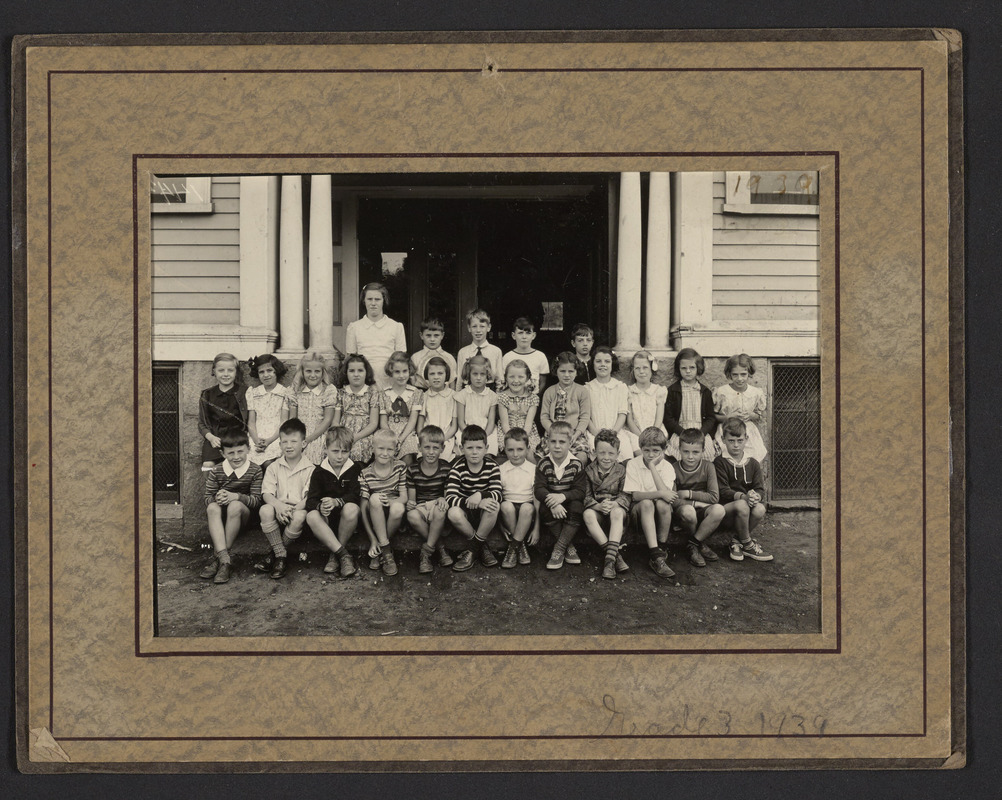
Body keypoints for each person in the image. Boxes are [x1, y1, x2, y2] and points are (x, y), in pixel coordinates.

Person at [199, 430, 264, 584]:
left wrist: (236, 497)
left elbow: (257, 501)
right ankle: (225, 561)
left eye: (240, 451)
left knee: (235, 505)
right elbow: (207, 499)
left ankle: (219, 557)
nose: (236, 457)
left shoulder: (255, 470)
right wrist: (217, 498)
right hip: (222, 520)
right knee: (212, 508)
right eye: (231, 453)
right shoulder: (217, 471)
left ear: (248, 449)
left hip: (243, 517)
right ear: (223, 453)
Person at [255, 419, 315, 580]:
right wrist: (280, 507)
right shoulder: (274, 467)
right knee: (265, 509)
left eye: (294, 441)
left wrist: (292, 510)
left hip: (297, 511)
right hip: (278, 510)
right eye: (284, 442)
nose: (289, 446)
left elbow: (308, 497)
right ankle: (281, 555)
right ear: (279, 444)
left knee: (300, 515)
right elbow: (267, 494)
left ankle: (274, 555)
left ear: (303, 443)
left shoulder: (310, 468)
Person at [303, 426, 361, 577]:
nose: (340, 456)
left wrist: (337, 501)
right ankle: (343, 555)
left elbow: (356, 495)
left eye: (345, 451)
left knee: (352, 508)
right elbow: (310, 500)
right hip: (326, 522)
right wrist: (320, 506)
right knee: (311, 516)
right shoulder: (319, 471)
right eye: (335, 451)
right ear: (326, 449)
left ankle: (334, 555)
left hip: (347, 522)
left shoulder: (354, 468)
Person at [714, 417, 773, 562]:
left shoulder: (752, 463)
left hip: (746, 507)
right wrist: (743, 497)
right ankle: (748, 544)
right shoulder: (719, 462)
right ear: (723, 439)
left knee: (759, 509)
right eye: (731, 441)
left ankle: (736, 541)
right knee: (742, 504)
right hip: (726, 511)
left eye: (740, 441)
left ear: (746, 439)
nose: (735, 445)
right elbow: (722, 490)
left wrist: (755, 496)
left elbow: (759, 488)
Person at [445, 425, 503, 572]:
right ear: (461, 448)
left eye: (479, 447)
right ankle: (481, 546)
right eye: (470, 448)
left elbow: (498, 493)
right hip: (466, 514)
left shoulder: (492, 466)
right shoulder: (457, 468)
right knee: (453, 512)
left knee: (494, 505)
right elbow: (450, 496)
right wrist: (472, 502)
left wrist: (480, 495)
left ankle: (472, 550)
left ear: (486, 448)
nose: (475, 452)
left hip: (485, 516)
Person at [623, 426, 677, 579]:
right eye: (646, 450)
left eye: (655, 451)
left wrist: (652, 467)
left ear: (664, 450)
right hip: (640, 513)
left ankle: (661, 548)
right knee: (647, 503)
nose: (651, 455)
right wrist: (659, 493)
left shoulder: (667, 467)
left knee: (663, 504)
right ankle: (655, 554)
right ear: (640, 448)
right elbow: (636, 496)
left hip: (659, 513)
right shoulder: (633, 464)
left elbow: (668, 497)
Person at [669, 428, 725, 567]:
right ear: (679, 449)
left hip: (702, 510)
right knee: (689, 511)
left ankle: (693, 544)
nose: (690, 457)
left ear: (703, 451)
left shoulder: (708, 467)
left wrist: (689, 494)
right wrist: (696, 504)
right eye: (686, 451)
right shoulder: (673, 468)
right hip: (684, 514)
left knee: (719, 510)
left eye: (695, 452)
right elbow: (674, 500)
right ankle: (698, 544)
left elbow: (714, 498)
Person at [535, 421, 587, 570]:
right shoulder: (543, 463)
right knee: (543, 508)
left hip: (568, 502)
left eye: (562, 442)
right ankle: (568, 546)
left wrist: (562, 497)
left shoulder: (576, 464)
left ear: (570, 443)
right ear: (547, 442)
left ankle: (559, 548)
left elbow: (580, 491)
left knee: (577, 506)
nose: (557, 446)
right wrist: (553, 502)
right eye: (553, 441)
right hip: (551, 504)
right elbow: (539, 489)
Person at [581, 429, 631, 580]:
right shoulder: (588, 471)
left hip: (617, 512)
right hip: (598, 509)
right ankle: (615, 555)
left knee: (616, 513)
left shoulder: (622, 470)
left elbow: (626, 495)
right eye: (602, 453)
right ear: (594, 452)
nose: (606, 458)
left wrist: (615, 504)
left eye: (611, 453)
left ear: (618, 453)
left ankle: (609, 561)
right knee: (587, 514)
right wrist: (597, 506)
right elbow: (586, 496)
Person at [358, 428, 408, 576]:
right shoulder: (366, 473)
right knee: (374, 498)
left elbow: (404, 497)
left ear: (395, 450)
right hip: (375, 514)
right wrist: (372, 539)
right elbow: (363, 507)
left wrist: (392, 502)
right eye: (381, 448)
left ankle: (382, 550)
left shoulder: (400, 467)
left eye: (390, 449)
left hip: (393, 515)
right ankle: (386, 552)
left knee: (398, 507)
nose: (385, 453)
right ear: (372, 448)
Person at [405, 425, 455, 574]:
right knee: (411, 515)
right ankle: (439, 547)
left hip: (437, 506)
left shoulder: (446, 468)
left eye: (435, 447)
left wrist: (442, 499)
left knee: (440, 510)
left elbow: (446, 496)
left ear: (443, 448)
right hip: (421, 507)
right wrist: (410, 504)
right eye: (427, 447)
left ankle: (426, 553)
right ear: (419, 447)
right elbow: (412, 500)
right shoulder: (412, 469)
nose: (431, 452)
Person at [344, 282, 406, 390]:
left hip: (389, 383)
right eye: (369, 299)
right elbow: (351, 360)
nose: (373, 303)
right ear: (364, 300)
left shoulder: (396, 326)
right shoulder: (354, 327)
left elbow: (401, 360)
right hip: (364, 383)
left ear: (384, 300)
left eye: (377, 299)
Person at [712, 353, 768, 463]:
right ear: (730, 374)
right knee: (727, 461)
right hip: (727, 431)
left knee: (750, 460)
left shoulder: (756, 393)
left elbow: (761, 414)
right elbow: (713, 416)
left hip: (748, 432)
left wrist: (752, 415)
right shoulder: (722, 392)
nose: (739, 379)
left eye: (743, 374)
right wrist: (728, 417)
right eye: (735, 375)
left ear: (749, 373)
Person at [539, 351, 592, 464]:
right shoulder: (549, 391)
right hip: (553, 434)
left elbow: (585, 417)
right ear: (556, 371)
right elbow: (544, 417)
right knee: (546, 460)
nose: (566, 375)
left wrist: (576, 433)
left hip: (574, 435)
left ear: (576, 372)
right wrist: (552, 431)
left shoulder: (582, 391)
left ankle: (575, 480)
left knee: (581, 457)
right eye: (562, 371)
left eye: (571, 371)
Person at [665, 347, 717, 461]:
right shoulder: (673, 391)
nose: (688, 371)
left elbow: (711, 418)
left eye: (692, 367)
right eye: (684, 368)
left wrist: (702, 433)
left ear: (698, 368)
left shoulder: (705, 392)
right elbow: (668, 418)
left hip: (700, 431)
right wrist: (681, 432)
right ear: (679, 369)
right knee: (678, 453)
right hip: (680, 432)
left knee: (706, 452)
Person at [288, 351, 340, 465]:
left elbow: (327, 420)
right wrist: (297, 437)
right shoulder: (295, 390)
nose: (313, 375)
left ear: (323, 373)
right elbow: (292, 418)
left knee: (316, 457)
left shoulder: (328, 390)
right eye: (308, 371)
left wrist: (309, 439)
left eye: (317, 371)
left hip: (320, 434)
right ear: (302, 372)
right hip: (300, 433)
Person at [198, 352, 248, 470]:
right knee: (208, 465)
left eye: (230, 370)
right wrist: (210, 437)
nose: (226, 374)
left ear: (236, 372)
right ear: (214, 371)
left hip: (238, 437)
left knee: (237, 465)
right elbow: (202, 423)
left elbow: (250, 419)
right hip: (216, 438)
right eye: (221, 370)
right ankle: (212, 489)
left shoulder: (245, 392)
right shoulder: (207, 394)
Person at [498, 428, 539, 568]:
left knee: (527, 507)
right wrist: (501, 525)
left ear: (528, 449)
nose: (515, 454)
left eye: (520, 449)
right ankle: (520, 546)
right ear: (505, 449)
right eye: (510, 450)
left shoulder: (533, 470)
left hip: (527, 514)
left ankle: (512, 549)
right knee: (505, 505)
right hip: (507, 513)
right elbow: (497, 499)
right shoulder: (501, 469)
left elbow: (537, 501)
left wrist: (537, 529)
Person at [585, 345, 632, 460]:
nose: (602, 365)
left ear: (612, 364)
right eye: (598, 361)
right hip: (594, 433)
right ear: (593, 363)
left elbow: (622, 413)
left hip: (616, 432)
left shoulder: (620, 387)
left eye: (607, 361)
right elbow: (586, 416)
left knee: (625, 454)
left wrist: (613, 433)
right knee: (597, 455)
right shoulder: (587, 388)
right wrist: (596, 434)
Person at [333, 353, 380, 464]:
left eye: (360, 370)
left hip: (364, 434)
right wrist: (342, 435)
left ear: (366, 373)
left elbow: (374, 423)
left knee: (358, 449)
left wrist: (356, 437)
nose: (356, 374)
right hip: (344, 433)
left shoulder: (372, 393)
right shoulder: (341, 392)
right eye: (352, 371)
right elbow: (335, 420)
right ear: (346, 373)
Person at [246, 353, 292, 465]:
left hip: (276, 436)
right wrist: (256, 440)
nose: (266, 375)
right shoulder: (253, 393)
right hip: (256, 436)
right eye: (261, 372)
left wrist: (269, 441)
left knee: (269, 463)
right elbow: (251, 422)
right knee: (249, 462)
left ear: (276, 371)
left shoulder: (285, 393)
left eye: (270, 370)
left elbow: (284, 421)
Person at [379, 351, 422, 462]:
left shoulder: (416, 393)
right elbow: (383, 422)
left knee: (407, 452)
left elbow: (412, 421)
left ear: (410, 371)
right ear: (391, 372)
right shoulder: (383, 393)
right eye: (397, 372)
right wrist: (392, 438)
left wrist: (401, 439)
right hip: (388, 431)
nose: (401, 375)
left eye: (405, 371)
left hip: (407, 432)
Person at [625, 349, 667, 458]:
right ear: (633, 371)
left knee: (658, 456)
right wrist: (641, 436)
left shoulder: (659, 391)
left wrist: (653, 435)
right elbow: (629, 420)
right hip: (635, 433)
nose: (641, 371)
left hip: (656, 432)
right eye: (637, 368)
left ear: (652, 369)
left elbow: (659, 418)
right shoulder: (629, 392)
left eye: (645, 368)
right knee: (640, 455)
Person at [455, 355, 499, 456]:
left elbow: (491, 422)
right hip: (466, 430)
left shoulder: (492, 396)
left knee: (489, 448)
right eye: (475, 374)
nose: (478, 378)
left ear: (487, 375)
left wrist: (483, 436)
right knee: (465, 448)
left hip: (486, 431)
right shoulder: (462, 395)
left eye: (482, 374)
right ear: (469, 374)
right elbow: (461, 421)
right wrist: (469, 435)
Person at [497, 359, 541, 459]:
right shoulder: (502, 397)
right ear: (506, 378)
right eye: (511, 376)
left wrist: (522, 439)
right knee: (511, 449)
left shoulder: (533, 398)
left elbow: (529, 423)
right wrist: (512, 438)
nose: (516, 381)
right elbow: (504, 424)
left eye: (520, 377)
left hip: (526, 432)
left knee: (527, 452)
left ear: (527, 378)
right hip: (507, 431)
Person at [417, 356, 458, 461]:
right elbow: (420, 424)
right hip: (427, 438)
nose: (436, 377)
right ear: (427, 376)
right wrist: (424, 439)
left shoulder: (454, 396)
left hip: (446, 437)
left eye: (440, 373)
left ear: (446, 375)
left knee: (445, 457)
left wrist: (443, 439)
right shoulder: (424, 396)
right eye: (432, 374)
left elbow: (454, 426)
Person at [455, 308, 503, 390]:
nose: (478, 330)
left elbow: (499, 380)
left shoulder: (496, 351)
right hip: (467, 394)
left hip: (489, 394)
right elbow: (460, 380)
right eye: (474, 326)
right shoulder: (463, 352)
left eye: (482, 326)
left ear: (488, 327)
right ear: (469, 328)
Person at [501, 316, 549, 397]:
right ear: (513, 335)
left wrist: (534, 398)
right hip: (511, 400)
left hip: (533, 400)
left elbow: (543, 382)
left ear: (533, 335)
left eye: (528, 333)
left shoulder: (540, 356)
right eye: (520, 333)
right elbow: (503, 381)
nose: (524, 337)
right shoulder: (507, 357)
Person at [410, 317, 459, 391]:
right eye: (428, 335)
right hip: (422, 395)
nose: (432, 339)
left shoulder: (449, 357)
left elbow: (452, 383)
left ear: (442, 335)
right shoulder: (415, 357)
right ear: (421, 335)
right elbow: (413, 382)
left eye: (436, 335)